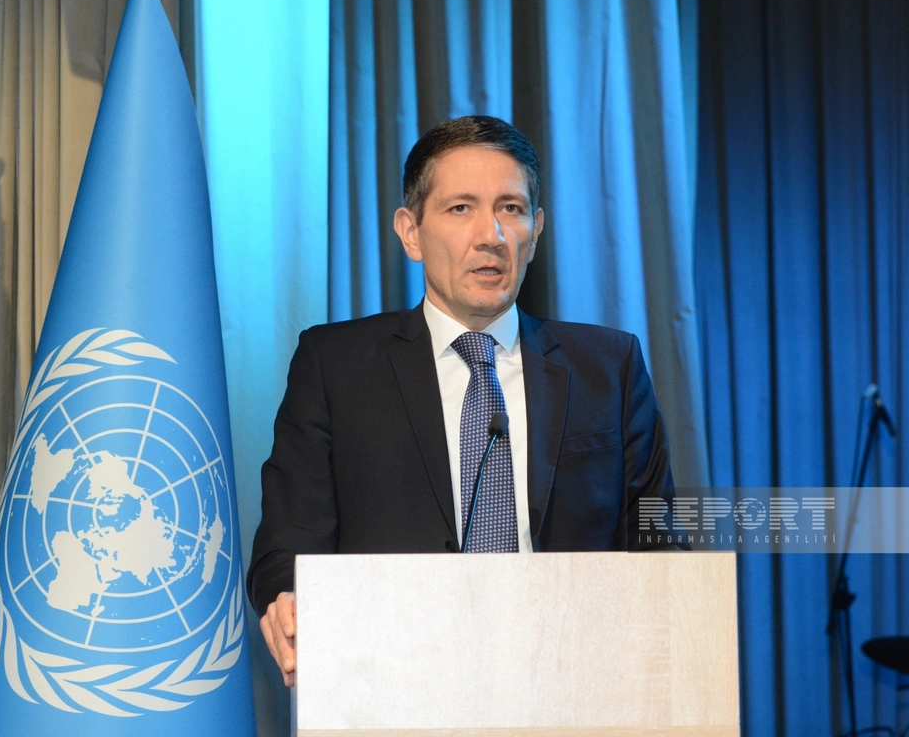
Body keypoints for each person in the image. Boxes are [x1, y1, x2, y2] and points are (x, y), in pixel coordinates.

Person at [247, 115, 674, 687]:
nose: (491, 234)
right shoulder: (335, 367)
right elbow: (286, 549)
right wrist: (288, 600)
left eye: (511, 208)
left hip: (573, 680)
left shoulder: (608, 367)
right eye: (460, 208)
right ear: (411, 232)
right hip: (393, 680)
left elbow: (659, 545)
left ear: (536, 230)